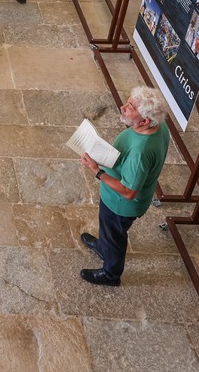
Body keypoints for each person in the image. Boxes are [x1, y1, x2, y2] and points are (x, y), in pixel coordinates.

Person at [79, 86, 170, 286]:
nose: (122, 107)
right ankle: (103, 247)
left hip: (120, 205)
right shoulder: (159, 126)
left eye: (130, 107)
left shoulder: (140, 152)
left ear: (145, 121)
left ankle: (111, 275)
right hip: (115, 199)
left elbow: (129, 192)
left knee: (115, 236)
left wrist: (97, 171)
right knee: (108, 231)